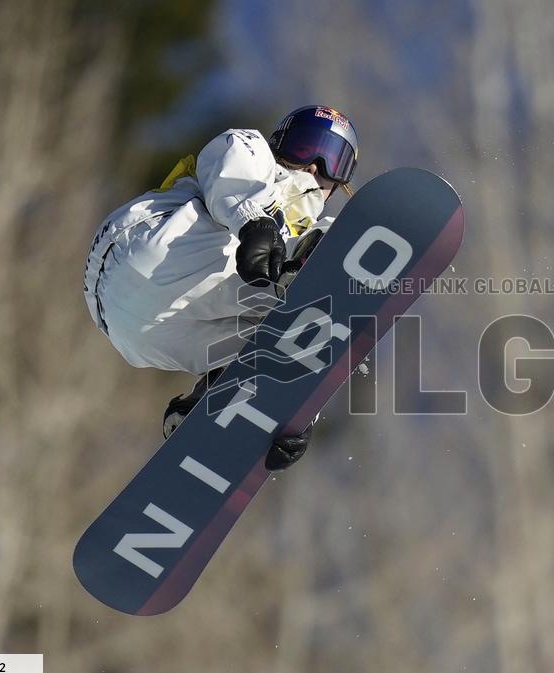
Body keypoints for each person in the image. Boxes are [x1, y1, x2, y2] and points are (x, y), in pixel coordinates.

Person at [83, 105, 359, 470]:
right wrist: (254, 225)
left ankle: (213, 404)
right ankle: (313, 265)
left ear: (339, 183)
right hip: (159, 248)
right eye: (306, 146)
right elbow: (230, 170)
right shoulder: (254, 155)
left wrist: (296, 414)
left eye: (333, 164)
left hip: (143, 335)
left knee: (288, 341)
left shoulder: (306, 221)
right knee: (334, 239)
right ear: (281, 143)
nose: (315, 167)